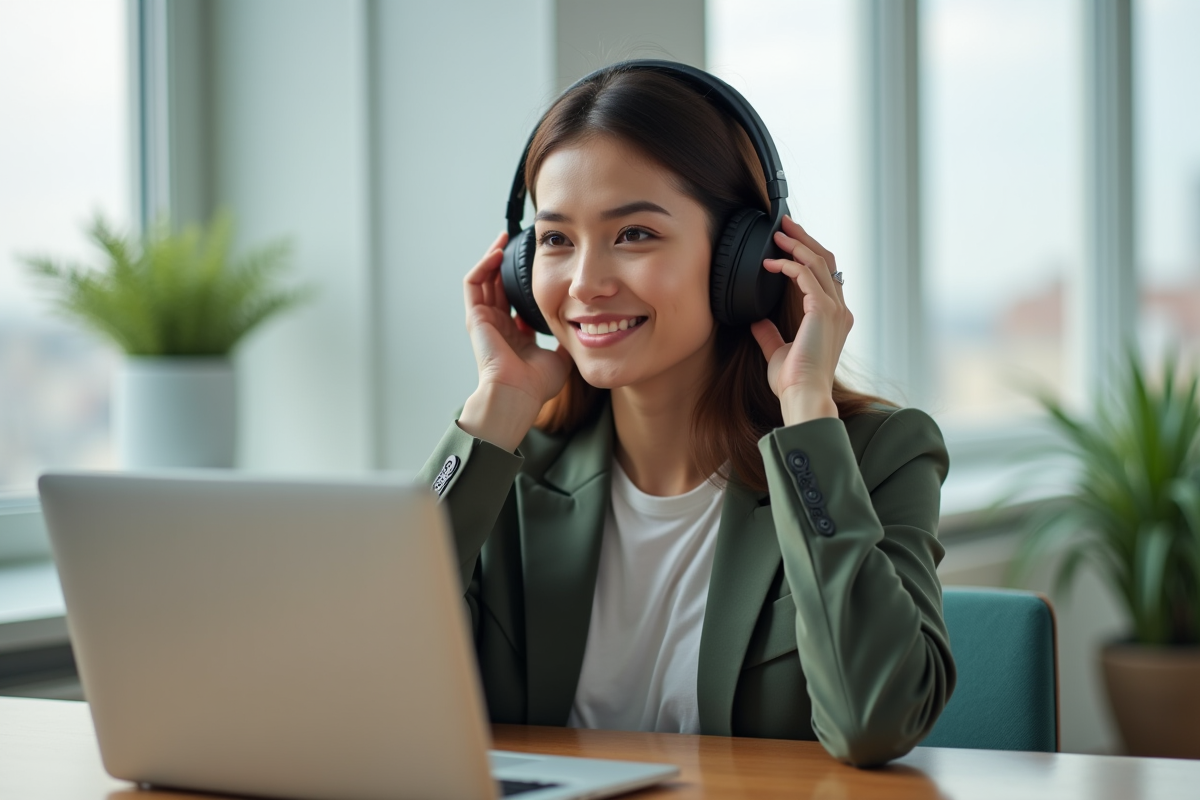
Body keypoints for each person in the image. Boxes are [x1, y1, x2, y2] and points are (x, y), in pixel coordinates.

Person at [418, 62, 955, 768]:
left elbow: (873, 723)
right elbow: (358, 681)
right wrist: (498, 405)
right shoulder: (511, 470)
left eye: (634, 233)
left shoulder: (874, 456)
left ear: (745, 257)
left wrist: (805, 413)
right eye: (555, 240)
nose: (586, 283)